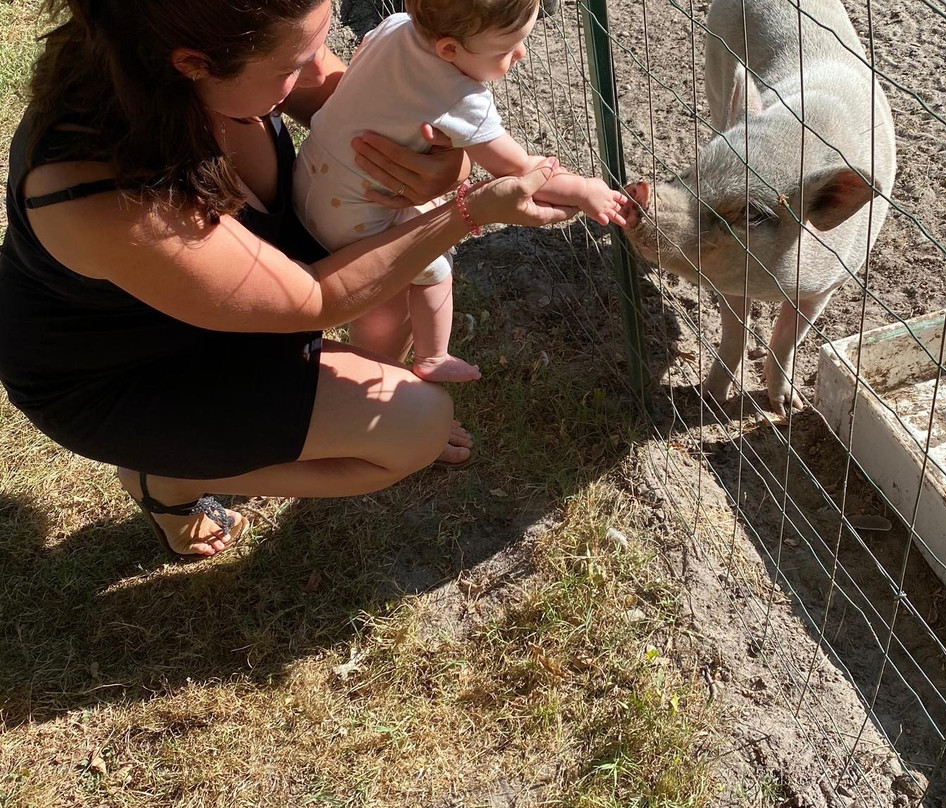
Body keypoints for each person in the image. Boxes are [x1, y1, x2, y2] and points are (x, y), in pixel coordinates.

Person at [0, 0, 574, 560]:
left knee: (394, 276)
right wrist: (467, 211)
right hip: (128, 372)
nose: (316, 67)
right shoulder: (100, 191)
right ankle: (166, 477)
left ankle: (325, 410)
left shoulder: (227, 38)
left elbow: (359, 112)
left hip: (228, 294)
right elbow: (315, 297)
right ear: (192, 62)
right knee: (418, 427)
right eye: (292, 66)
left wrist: (444, 165)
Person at [294, 0, 627, 383]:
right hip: (350, 218)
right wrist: (585, 190)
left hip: (307, 179)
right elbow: (523, 172)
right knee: (434, 265)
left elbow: (363, 55)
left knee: (413, 238)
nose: (520, 54)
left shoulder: (395, 26)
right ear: (449, 50)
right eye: (506, 49)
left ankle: (373, 364)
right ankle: (430, 357)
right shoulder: (459, 97)